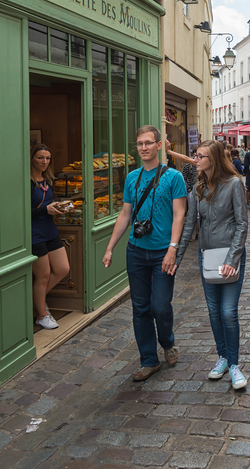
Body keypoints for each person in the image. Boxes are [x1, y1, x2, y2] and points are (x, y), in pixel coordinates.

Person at [103, 125, 187, 381]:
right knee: (140, 308)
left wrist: (173, 249)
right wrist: (110, 247)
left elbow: (179, 214)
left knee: (160, 306)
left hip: (163, 251)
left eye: (148, 143)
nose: (143, 147)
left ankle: (168, 342)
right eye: (139, 143)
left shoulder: (174, 177)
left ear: (159, 145)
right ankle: (149, 360)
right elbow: (125, 214)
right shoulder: (132, 178)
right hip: (137, 251)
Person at [178, 140, 250, 390]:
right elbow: (189, 225)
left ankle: (234, 364)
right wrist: (176, 259)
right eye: (194, 155)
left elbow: (242, 224)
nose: (195, 160)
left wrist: (232, 259)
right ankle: (222, 357)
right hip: (207, 256)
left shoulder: (234, 185)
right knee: (213, 311)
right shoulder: (198, 187)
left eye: (200, 156)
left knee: (228, 311)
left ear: (214, 160)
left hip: (230, 256)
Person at [29, 144, 71, 330]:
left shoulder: (47, 179)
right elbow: (22, 211)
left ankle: (36, 302)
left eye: (47, 158)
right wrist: (44, 210)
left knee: (63, 269)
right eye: (40, 157)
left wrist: (58, 207)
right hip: (34, 233)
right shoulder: (27, 182)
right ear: (31, 159)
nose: (44, 161)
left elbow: (46, 204)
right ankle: (41, 314)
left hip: (50, 229)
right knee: (43, 275)